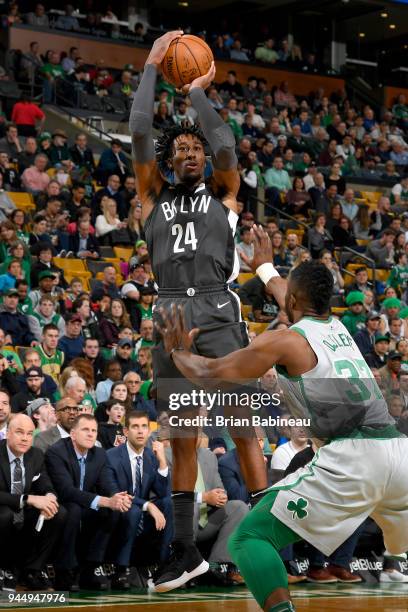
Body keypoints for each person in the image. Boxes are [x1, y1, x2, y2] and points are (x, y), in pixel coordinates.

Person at [157, 226, 407, 612]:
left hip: (355, 458)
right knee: (400, 548)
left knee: (247, 540)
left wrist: (176, 352)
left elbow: (209, 372)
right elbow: (288, 296)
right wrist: (265, 269)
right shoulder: (338, 326)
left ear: (294, 299)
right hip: (398, 453)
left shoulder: (284, 340)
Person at [130, 30, 267, 592]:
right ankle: (185, 550)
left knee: (243, 429)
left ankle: (265, 536)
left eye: (196, 150)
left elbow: (224, 141)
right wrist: (149, 65)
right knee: (182, 436)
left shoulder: (227, 191)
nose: (190, 152)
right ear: (168, 161)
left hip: (219, 312)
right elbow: (139, 129)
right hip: (170, 318)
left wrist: (197, 94)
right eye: (179, 150)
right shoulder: (150, 197)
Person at [45, 413, 132, 591]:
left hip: (86, 503)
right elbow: (66, 491)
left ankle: (90, 569)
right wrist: (105, 501)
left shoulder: (99, 454)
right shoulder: (57, 451)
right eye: (85, 429)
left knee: (112, 511)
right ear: (73, 434)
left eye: (94, 430)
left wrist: (116, 497)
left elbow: (106, 483)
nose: (91, 434)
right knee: (74, 510)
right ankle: (65, 571)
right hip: (61, 504)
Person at [0, 413, 66, 591]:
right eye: (20, 432)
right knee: (5, 515)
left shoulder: (35, 454)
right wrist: (27, 498)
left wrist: (50, 496)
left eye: (30, 433)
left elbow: (43, 480)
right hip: (3, 511)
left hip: (22, 513)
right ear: (7, 433)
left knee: (57, 512)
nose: (25, 438)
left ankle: (32, 571)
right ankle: (4, 569)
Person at [106, 411, 172, 587]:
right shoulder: (111, 456)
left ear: (149, 431)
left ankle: (165, 566)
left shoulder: (151, 457)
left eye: (144, 426)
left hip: (142, 519)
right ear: (126, 432)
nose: (141, 431)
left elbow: (163, 492)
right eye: (135, 427)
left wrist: (163, 461)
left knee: (168, 503)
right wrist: (148, 505)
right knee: (133, 509)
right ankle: (122, 569)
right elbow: (117, 493)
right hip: (119, 514)